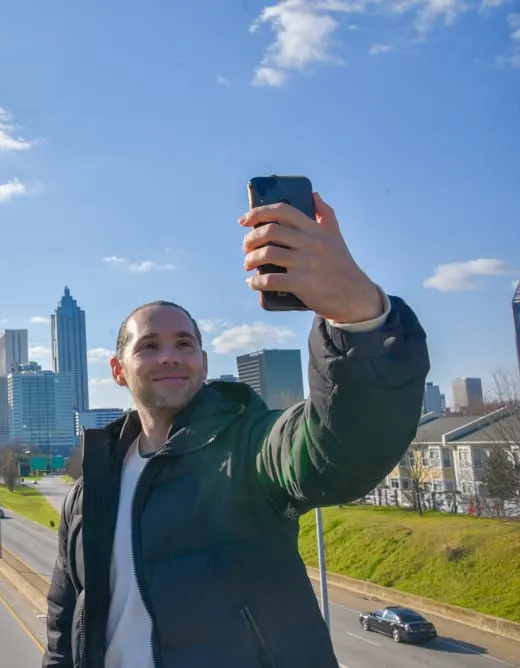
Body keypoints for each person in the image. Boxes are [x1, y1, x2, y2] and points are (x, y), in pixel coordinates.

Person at [42, 193, 430, 668]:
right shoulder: (89, 492)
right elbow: (65, 621)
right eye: (149, 346)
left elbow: (340, 443)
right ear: (118, 371)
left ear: (203, 364)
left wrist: (357, 317)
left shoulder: (249, 449)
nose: (169, 355)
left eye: (184, 343)